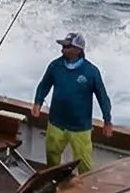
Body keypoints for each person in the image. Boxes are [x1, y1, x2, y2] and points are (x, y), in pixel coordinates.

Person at [31, 31, 112, 175]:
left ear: (78, 50)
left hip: (80, 127)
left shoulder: (91, 71)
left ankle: (85, 189)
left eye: (67, 47)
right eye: (63, 46)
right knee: (52, 155)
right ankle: (53, 183)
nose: (63, 49)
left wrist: (107, 120)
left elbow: (103, 97)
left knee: (84, 163)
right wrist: (37, 102)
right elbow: (44, 85)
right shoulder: (55, 66)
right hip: (56, 123)